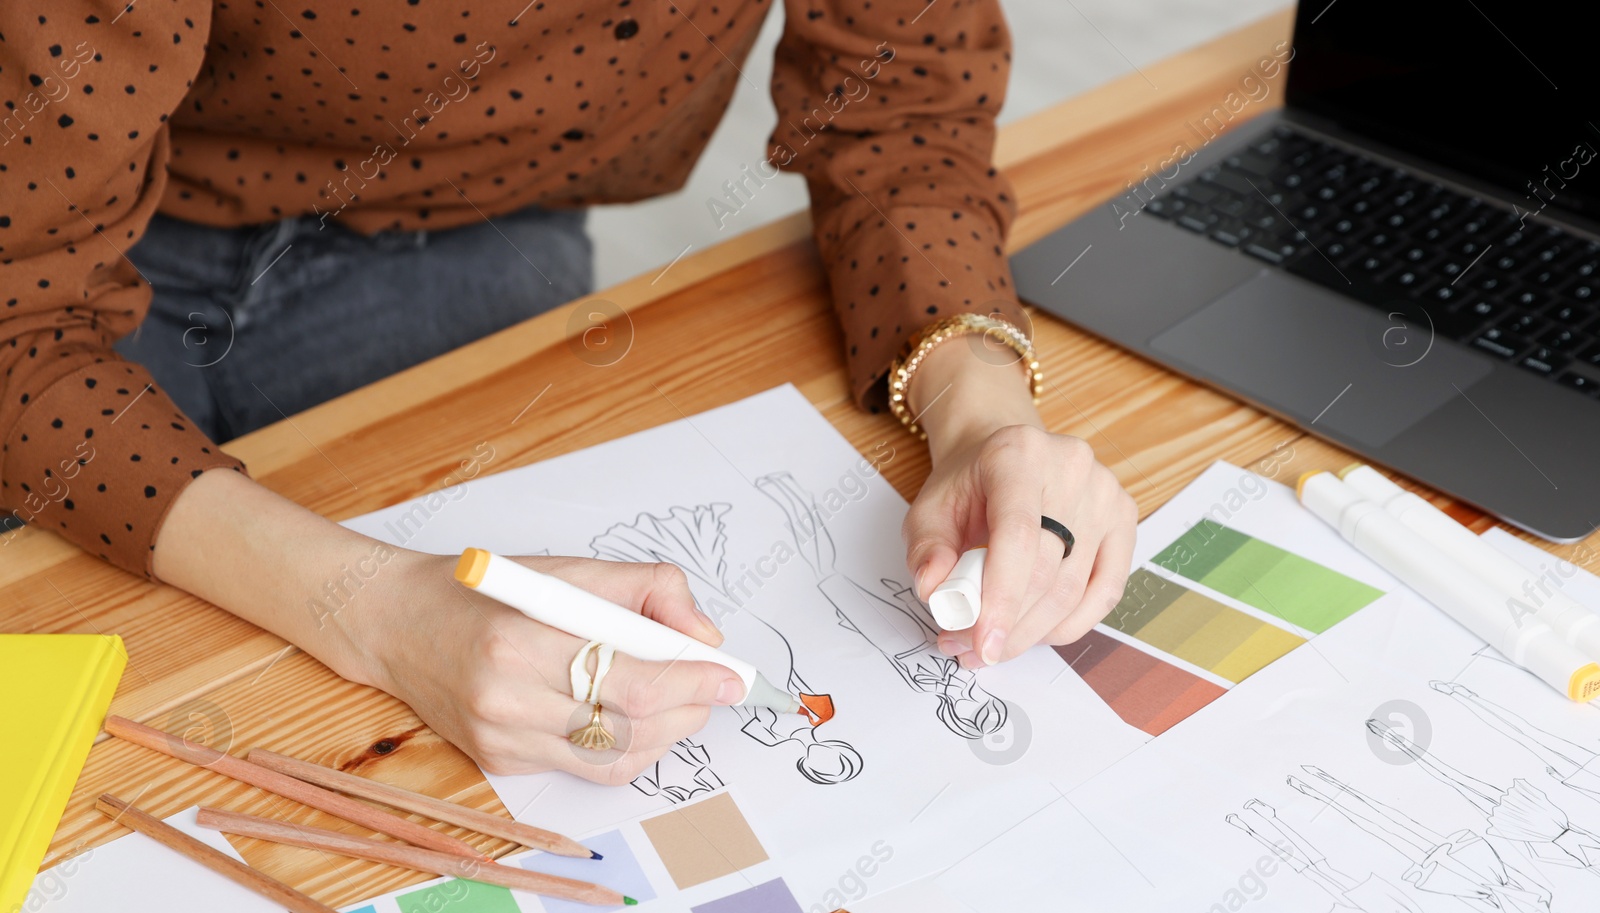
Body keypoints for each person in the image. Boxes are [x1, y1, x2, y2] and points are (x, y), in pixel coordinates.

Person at [0, 1, 1136, 783]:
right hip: (75, 208)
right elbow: (16, 317)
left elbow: (901, 119)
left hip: (466, 219)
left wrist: (981, 409)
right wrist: (379, 612)